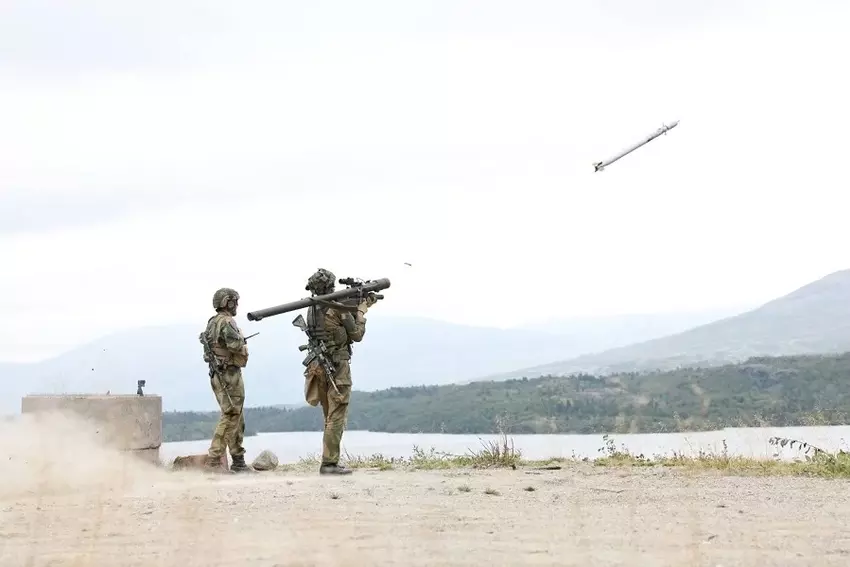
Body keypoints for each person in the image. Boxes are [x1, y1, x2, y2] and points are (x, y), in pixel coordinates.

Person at [302, 268, 377, 475]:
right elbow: (357, 334)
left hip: (319, 366)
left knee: (329, 415)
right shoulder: (337, 308)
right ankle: (329, 464)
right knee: (336, 415)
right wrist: (361, 312)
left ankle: (329, 460)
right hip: (337, 368)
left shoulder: (313, 308)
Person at [200, 287, 254, 473]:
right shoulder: (227, 322)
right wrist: (242, 341)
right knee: (231, 415)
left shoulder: (212, 322)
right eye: (235, 301)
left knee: (236, 417)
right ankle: (214, 460)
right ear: (228, 302)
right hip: (229, 374)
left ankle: (238, 460)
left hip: (218, 374)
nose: (237, 305)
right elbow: (234, 345)